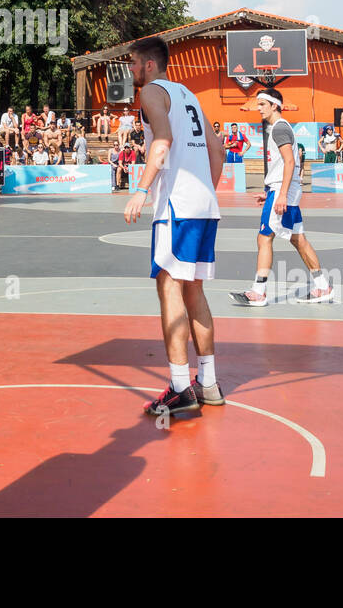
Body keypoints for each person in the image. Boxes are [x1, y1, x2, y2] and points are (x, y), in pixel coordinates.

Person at [122, 36, 222, 419]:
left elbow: (162, 141)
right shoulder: (188, 95)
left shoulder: (151, 92)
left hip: (177, 205)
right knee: (194, 290)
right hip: (203, 205)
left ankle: (181, 388)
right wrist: (204, 192)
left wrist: (141, 190)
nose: (130, 70)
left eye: (133, 63)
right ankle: (208, 383)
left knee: (169, 289)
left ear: (148, 65)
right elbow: (217, 151)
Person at [232, 87, 333, 307]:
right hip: (280, 189)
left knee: (264, 237)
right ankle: (323, 286)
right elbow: (285, 164)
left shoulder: (279, 129)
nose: (258, 108)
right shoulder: (279, 128)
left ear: (274, 105)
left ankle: (258, 292)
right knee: (298, 239)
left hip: (283, 190)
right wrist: (270, 192)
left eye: (262, 104)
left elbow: (289, 162)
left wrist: (281, 194)